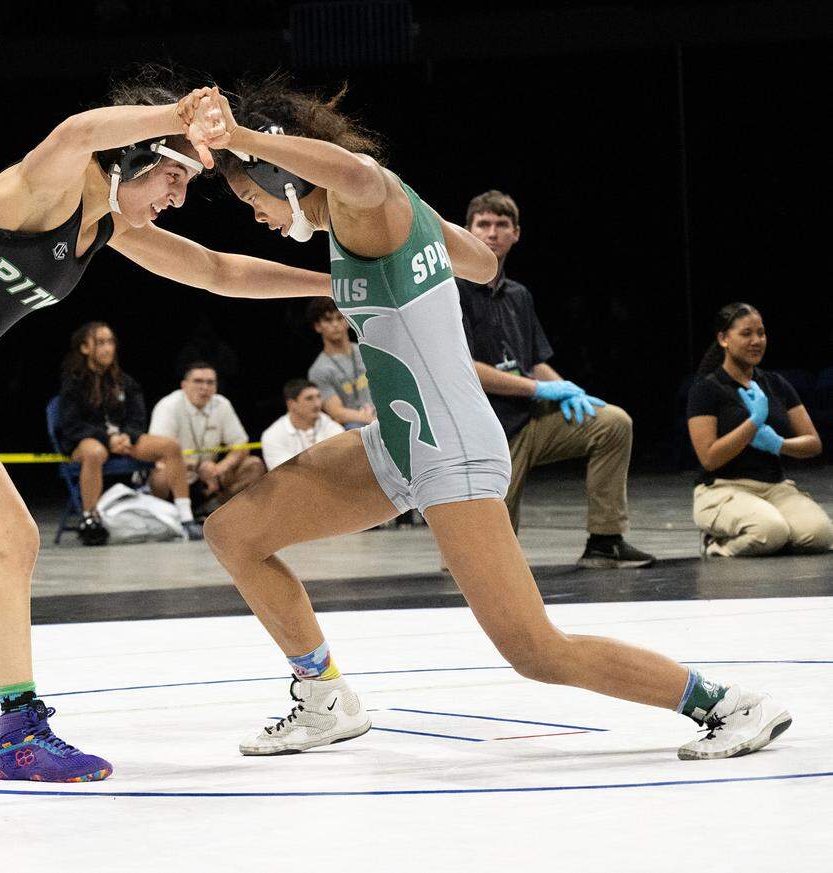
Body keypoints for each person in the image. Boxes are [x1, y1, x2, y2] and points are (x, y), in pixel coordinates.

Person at [179, 79, 788, 761]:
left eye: (251, 195)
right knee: (234, 530)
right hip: (402, 443)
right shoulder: (383, 208)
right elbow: (477, 258)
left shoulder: (364, 200)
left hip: (452, 449)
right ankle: (324, 697)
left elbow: (359, 174)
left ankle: (727, 702)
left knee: (533, 648)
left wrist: (237, 138)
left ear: (283, 170)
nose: (255, 212)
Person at [0, 71, 332, 784]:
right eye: (172, 179)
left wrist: (335, 286)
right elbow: (76, 132)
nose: (176, 199)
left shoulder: (107, 225)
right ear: (135, 157)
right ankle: (19, 732)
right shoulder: (41, 190)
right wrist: (178, 112)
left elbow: (216, 272)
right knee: (14, 537)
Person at [455, 190, 654, 568]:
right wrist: (539, 388)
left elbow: (535, 361)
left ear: (517, 233)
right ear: (468, 232)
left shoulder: (518, 295)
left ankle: (605, 541)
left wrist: (567, 389)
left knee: (612, 424)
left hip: (529, 420)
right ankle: (471, 555)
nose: (493, 233)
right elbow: (466, 369)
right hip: (485, 433)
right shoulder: (453, 291)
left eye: (502, 225)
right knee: (484, 561)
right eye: (484, 224)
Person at [686, 302, 831, 557]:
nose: (756, 341)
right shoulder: (706, 389)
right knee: (769, 531)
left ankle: (775, 536)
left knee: (820, 535)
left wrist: (779, 445)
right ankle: (716, 545)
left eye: (761, 333)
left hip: (774, 488)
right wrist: (752, 424)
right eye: (746, 334)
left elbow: (813, 443)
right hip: (723, 488)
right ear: (723, 339)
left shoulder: (775, 384)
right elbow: (709, 458)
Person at [59, 321, 202, 545]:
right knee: (95, 452)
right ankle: (90, 519)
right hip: (88, 443)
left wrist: (127, 435)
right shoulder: (73, 382)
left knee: (170, 446)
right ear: (85, 348)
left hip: (123, 441)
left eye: (110, 342)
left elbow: (137, 418)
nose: (107, 348)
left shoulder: (124, 381)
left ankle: (186, 518)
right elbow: (71, 424)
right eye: (100, 343)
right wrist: (107, 439)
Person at [148, 361, 264, 516]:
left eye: (210, 382)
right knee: (159, 476)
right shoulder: (168, 406)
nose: (204, 387)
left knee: (253, 465)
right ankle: (167, 517)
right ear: (184, 385)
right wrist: (197, 467)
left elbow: (241, 446)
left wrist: (219, 468)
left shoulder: (222, 404)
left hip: (211, 478)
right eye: (198, 381)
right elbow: (158, 454)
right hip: (180, 476)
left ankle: (215, 511)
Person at [306, 298, 375, 429]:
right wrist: (371, 419)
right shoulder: (319, 370)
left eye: (339, 318)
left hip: (381, 413)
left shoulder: (368, 351)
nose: (335, 324)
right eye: (328, 320)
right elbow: (336, 412)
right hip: (352, 425)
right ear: (317, 326)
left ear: (347, 320)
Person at [261, 378, 344, 469]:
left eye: (319, 397)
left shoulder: (331, 427)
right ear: (291, 404)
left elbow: (342, 461)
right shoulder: (273, 435)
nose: (317, 404)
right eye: (309, 399)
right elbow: (284, 473)